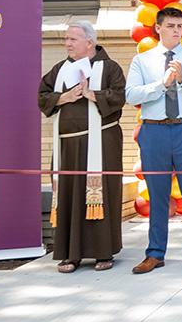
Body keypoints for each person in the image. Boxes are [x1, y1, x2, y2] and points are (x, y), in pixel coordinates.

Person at [125, 7, 182, 275]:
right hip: (154, 131)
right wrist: (162, 85)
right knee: (158, 195)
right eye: (172, 26)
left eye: (180, 26)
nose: (177, 30)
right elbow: (131, 95)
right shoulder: (142, 61)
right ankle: (155, 253)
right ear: (158, 28)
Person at [38, 21, 125, 273]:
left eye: (72, 39)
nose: (67, 43)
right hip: (68, 147)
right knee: (68, 196)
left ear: (89, 42)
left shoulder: (109, 68)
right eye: (66, 39)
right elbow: (42, 96)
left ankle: (102, 252)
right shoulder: (60, 69)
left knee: (99, 196)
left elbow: (120, 96)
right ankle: (70, 253)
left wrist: (91, 95)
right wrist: (64, 97)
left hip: (100, 142)